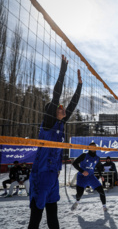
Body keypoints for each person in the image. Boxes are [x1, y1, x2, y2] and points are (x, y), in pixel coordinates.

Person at [28, 55, 82, 229]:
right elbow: (56, 94)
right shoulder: (49, 122)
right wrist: (63, 69)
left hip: (52, 176)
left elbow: (72, 105)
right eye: (59, 107)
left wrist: (80, 85)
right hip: (41, 174)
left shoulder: (60, 123)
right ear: (52, 111)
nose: (63, 108)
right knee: (36, 217)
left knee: (53, 216)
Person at [71, 142, 107, 212]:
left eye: (94, 147)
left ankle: (104, 207)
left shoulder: (97, 158)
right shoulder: (84, 155)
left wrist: (101, 175)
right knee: (79, 194)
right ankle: (77, 202)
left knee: (101, 191)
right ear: (89, 148)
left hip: (91, 177)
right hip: (82, 177)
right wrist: (82, 171)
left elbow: (99, 167)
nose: (93, 148)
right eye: (91, 147)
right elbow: (74, 163)